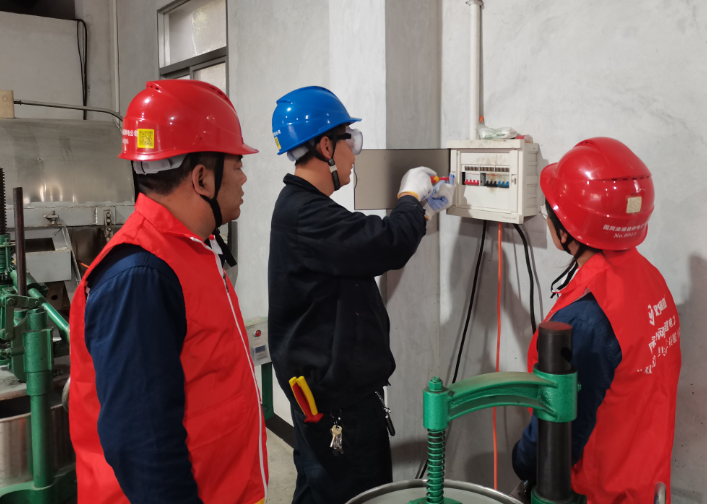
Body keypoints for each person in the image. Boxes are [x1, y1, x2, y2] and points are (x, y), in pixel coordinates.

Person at [69, 80, 268, 504]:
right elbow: (143, 446)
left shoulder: (189, 249)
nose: (244, 177)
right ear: (202, 178)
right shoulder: (139, 276)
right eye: (236, 164)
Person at [268, 86, 454, 504]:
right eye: (350, 140)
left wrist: (421, 213)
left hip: (325, 396)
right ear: (325, 146)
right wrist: (410, 197)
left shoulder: (304, 208)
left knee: (317, 489)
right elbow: (384, 244)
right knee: (354, 495)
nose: (355, 154)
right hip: (337, 406)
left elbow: (363, 246)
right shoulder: (306, 214)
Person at [512, 137, 681, 503]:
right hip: (645, 485)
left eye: (550, 211)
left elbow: (557, 440)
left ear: (568, 228)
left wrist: (522, 461)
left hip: (596, 493)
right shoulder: (650, 281)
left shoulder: (586, 320)